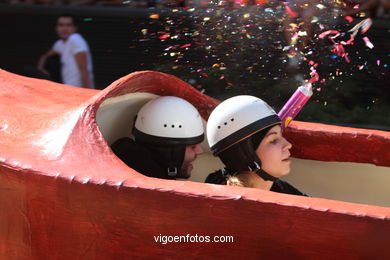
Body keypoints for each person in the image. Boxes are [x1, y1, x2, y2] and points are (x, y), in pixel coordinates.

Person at [205, 95, 307, 196]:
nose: (288, 145)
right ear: (245, 155)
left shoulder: (282, 190)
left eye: (281, 136)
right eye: (273, 140)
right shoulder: (222, 206)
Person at [111, 96, 204, 180]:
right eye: (193, 147)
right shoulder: (151, 193)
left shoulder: (121, 169)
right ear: (167, 151)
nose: (200, 151)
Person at [38, 14, 94, 89]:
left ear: (75, 28)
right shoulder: (60, 44)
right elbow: (45, 55)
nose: (64, 28)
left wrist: (87, 94)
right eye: (61, 25)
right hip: (66, 89)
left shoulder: (75, 39)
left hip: (78, 91)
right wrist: (41, 70)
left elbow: (84, 71)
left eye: (68, 25)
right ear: (56, 28)